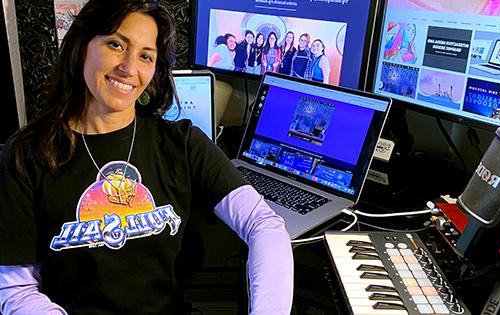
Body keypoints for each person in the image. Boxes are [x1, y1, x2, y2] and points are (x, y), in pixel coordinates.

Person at [0, 1, 293, 314]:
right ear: (82, 46)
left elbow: (264, 225)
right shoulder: (25, 155)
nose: (129, 67)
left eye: (145, 56)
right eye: (116, 44)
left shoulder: (181, 143)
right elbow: (15, 289)